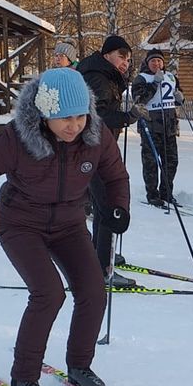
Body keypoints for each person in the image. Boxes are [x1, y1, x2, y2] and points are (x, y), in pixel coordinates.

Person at [0, 68, 130, 386]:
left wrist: (119, 208)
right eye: (64, 117)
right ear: (45, 112)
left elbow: (115, 175)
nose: (73, 125)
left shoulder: (96, 134)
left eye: (80, 116)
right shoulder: (16, 139)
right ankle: (24, 378)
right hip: (20, 223)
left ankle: (79, 364)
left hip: (68, 224)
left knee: (93, 289)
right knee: (49, 293)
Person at [77, 35, 148, 288]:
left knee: (101, 204)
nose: (125, 63)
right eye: (121, 57)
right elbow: (100, 117)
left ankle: (99, 256)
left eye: (128, 60)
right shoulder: (98, 77)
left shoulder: (101, 74)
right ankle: (102, 269)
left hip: (94, 148)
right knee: (107, 205)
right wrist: (128, 116)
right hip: (94, 148)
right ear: (107, 55)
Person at [132, 49, 184, 206]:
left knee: (171, 162)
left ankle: (167, 192)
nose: (157, 64)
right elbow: (139, 99)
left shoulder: (170, 77)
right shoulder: (142, 78)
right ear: (148, 63)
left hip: (169, 125)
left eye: (159, 61)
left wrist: (180, 98)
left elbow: (176, 95)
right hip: (151, 125)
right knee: (151, 163)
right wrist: (154, 83)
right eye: (153, 61)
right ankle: (152, 194)